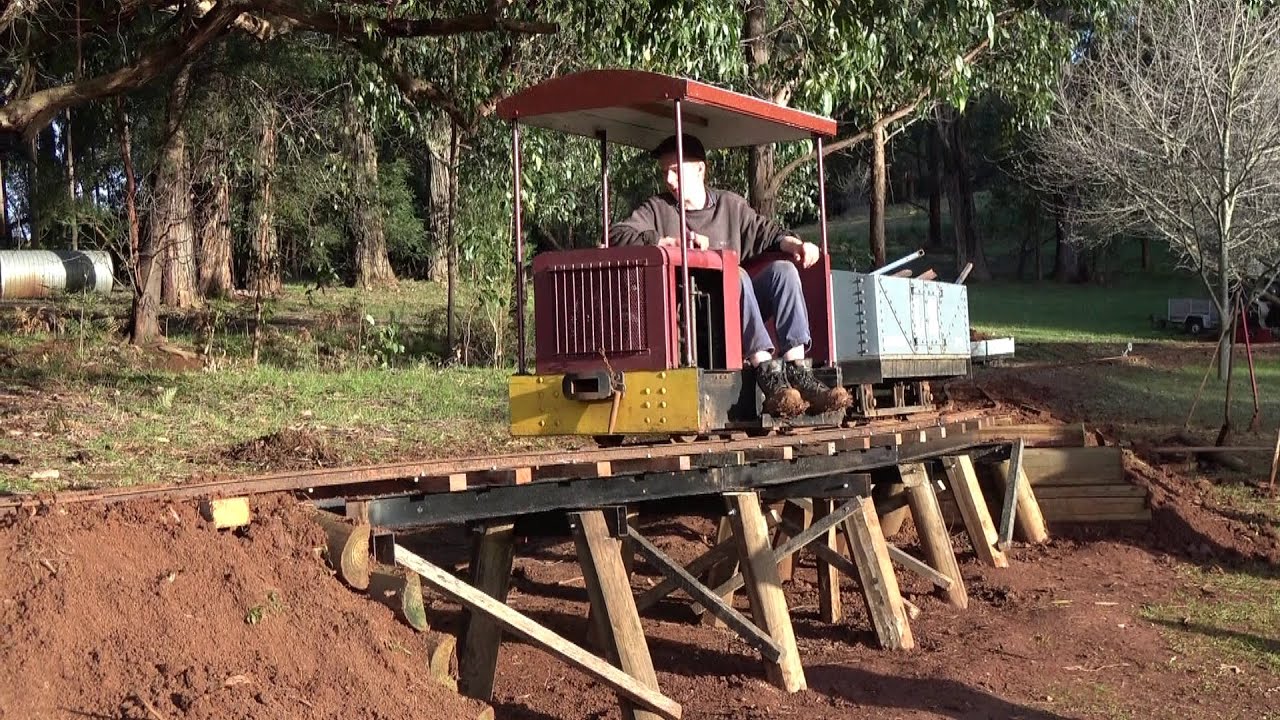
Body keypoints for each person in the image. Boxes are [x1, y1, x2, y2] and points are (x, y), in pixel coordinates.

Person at [609, 133, 850, 417]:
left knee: (783, 271)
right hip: (697, 316)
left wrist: (797, 244)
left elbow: (767, 232)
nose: (669, 181)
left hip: (740, 305)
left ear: (700, 169)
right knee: (734, 274)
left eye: (675, 171)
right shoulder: (657, 209)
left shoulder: (730, 206)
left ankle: (798, 371)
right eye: (665, 173)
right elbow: (616, 234)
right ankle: (766, 373)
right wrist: (663, 242)